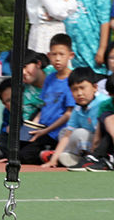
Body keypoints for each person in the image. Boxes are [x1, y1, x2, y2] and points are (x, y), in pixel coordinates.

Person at [20, 32, 75, 164]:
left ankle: (53, 154)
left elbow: (68, 114)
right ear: (49, 55)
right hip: (43, 129)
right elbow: (44, 106)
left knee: (24, 156)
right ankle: (48, 154)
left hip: (57, 132)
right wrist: (32, 128)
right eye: (54, 54)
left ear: (70, 56)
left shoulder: (72, 79)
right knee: (15, 147)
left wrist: (45, 131)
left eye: (61, 54)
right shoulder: (50, 78)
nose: (57, 59)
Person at [42, 65, 101, 168]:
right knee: (63, 132)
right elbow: (66, 136)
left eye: (82, 88)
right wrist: (53, 161)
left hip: (101, 144)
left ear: (95, 88)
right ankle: (63, 156)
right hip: (87, 143)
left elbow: (100, 135)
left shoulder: (101, 104)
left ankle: (91, 158)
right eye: (74, 89)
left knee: (79, 134)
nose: (79, 93)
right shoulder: (77, 108)